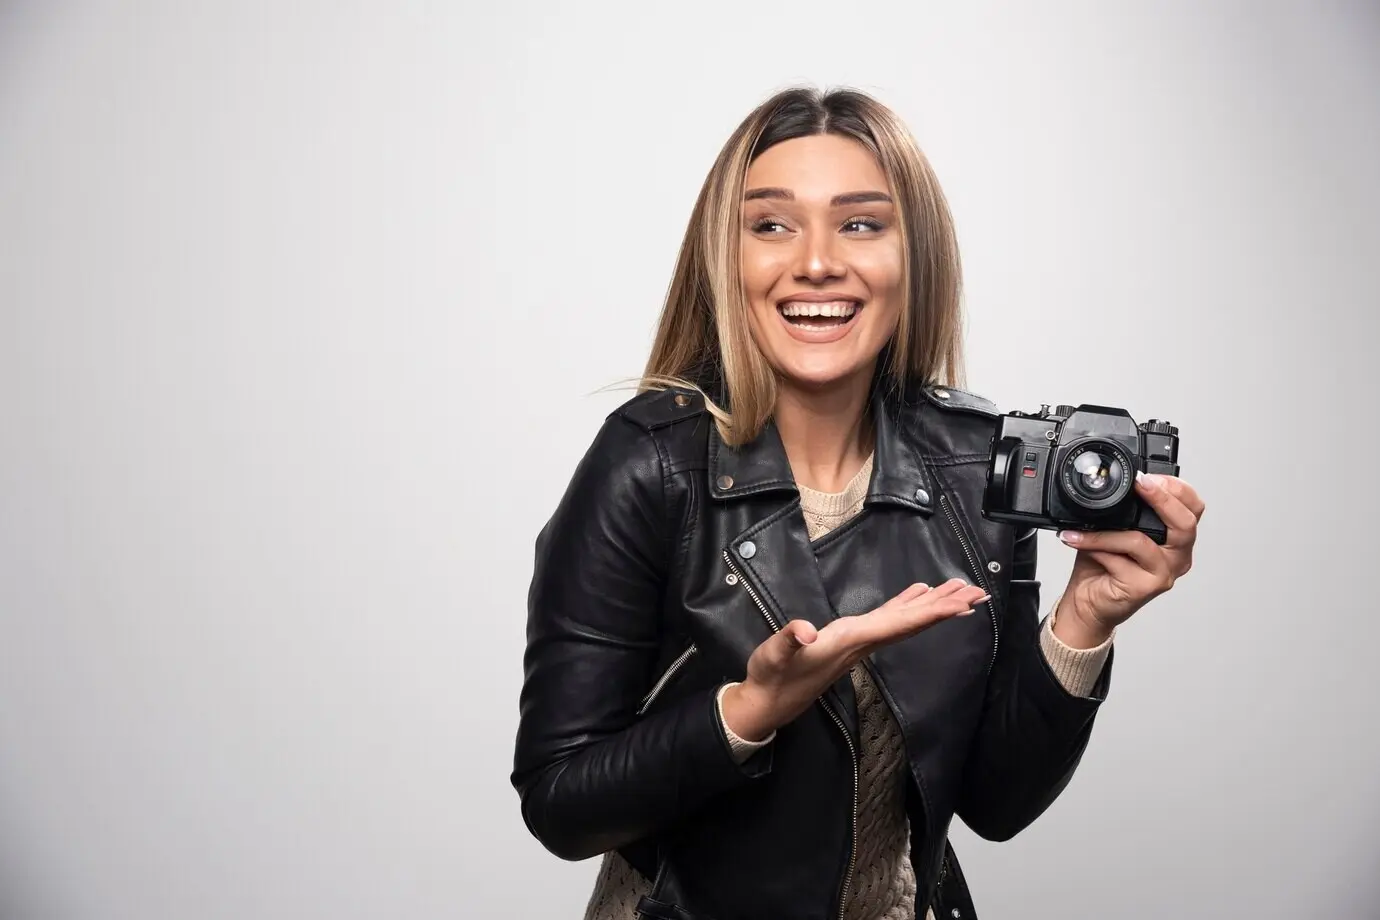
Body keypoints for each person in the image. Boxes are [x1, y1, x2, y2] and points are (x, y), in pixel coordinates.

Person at [510, 86, 1204, 920]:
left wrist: (1084, 621)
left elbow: (995, 802)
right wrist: (751, 710)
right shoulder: (649, 464)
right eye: (771, 224)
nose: (815, 262)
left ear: (914, 255)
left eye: (861, 223)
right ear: (724, 259)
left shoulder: (977, 465)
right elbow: (560, 801)